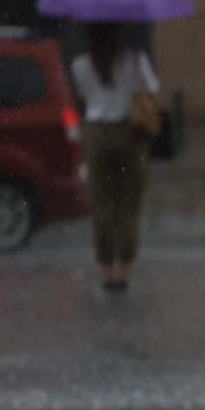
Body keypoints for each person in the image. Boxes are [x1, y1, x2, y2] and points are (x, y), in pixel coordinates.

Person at [70, 23, 159, 291]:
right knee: (129, 203)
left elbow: (86, 96)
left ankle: (107, 271)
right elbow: (151, 90)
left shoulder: (81, 64)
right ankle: (124, 271)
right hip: (129, 130)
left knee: (101, 202)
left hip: (96, 132)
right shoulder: (134, 59)